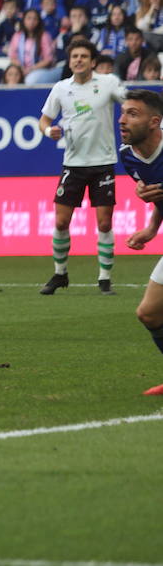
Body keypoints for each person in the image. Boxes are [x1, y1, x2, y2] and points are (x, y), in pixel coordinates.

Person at [38, 39, 128, 296]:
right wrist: (48, 131)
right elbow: (43, 119)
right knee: (61, 220)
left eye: (84, 56)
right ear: (70, 60)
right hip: (73, 164)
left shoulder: (108, 83)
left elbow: (130, 102)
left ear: (93, 61)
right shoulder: (61, 88)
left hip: (103, 163)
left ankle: (104, 279)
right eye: (75, 56)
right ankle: (60, 273)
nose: (79, 60)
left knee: (104, 223)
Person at [115, 88, 163, 396]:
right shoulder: (127, 156)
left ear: (154, 122)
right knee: (149, 313)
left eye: (133, 114)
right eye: (122, 113)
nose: (123, 120)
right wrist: (151, 228)